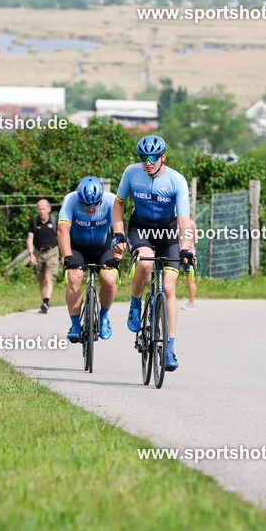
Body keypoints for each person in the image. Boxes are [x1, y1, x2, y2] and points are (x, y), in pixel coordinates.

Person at [112, 135, 193, 371]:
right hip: (142, 229)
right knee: (145, 265)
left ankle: (169, 349)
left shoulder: (177, 180)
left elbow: (184, 219)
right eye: (143, 158)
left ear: (162, 157)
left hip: (167, 232)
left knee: (168, 287)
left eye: (153, 158)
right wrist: (118, 233)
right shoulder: (131, 173)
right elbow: (118, 204)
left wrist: (186, 247)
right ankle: (136, 303)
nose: (148, 162)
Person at [58, 176, 125, 342]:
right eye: (86, 204)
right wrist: (67, 256)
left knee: (109, 279)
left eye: (95, 204)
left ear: (101, 198)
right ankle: (75, 324)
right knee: (74, 279)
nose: (91, 208)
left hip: (103, 248)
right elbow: (62, 230)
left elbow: (119, 232)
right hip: (77, 249)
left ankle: (103, 316)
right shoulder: (71, 200)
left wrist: (117, 257)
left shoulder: (111, 200)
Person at [26, 199, 59, 314]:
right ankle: (44, 303)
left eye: (44, 208)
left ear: (49, 209)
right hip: (38, 252)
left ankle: (46, 301)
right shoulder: (34, 222)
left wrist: (65, 254)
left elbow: (61, 236)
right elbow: (30, 238)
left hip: (52, 252)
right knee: (41, 279)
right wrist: (31, 254)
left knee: (48, 277)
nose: (41, 211)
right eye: (39, 208)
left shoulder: (55, 220)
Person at [180, 218, 198, 310]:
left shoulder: (192, 224)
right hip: (176, 253)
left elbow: (191, 239)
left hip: (188, 253)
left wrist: (184, 249)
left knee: (190, 279)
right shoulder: (176, 222)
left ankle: (191, 302)